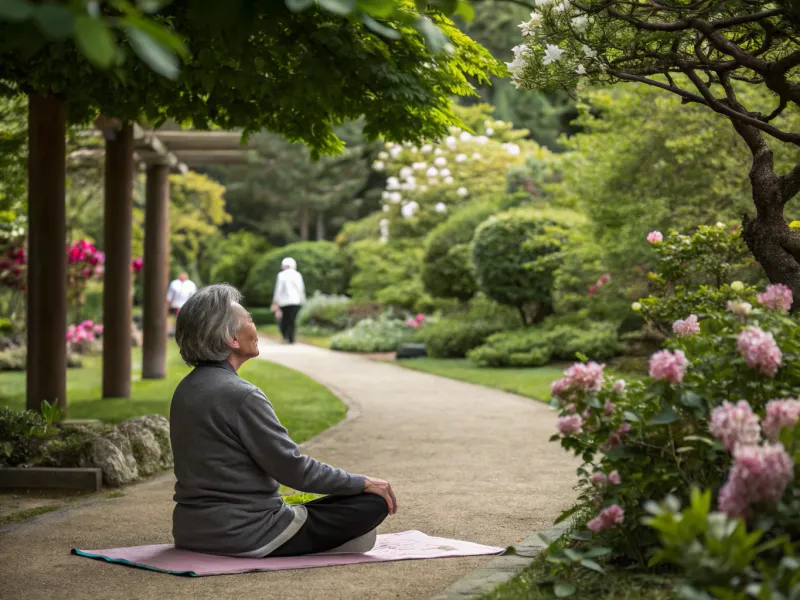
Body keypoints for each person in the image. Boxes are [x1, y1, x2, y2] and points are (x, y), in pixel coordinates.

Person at [171, 284, 396, 558]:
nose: (253, 327)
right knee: (372, 503)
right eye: (249, 320)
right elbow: (293, 470)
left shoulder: (185, 389)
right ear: (232, 338)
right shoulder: (242, 396)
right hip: (246, 533)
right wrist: (360, 482)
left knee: (339, 502)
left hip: (190, 530)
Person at [271, 257, 306, 344]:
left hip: (284, 302)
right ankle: (291, 338)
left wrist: (275, 301)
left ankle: (285, 336)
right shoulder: (298, 275)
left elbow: (278, 289)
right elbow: (301, 289)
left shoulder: (281, 275)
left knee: (285, 319)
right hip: (295, 301)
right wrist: (303, 300)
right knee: (292, 320)